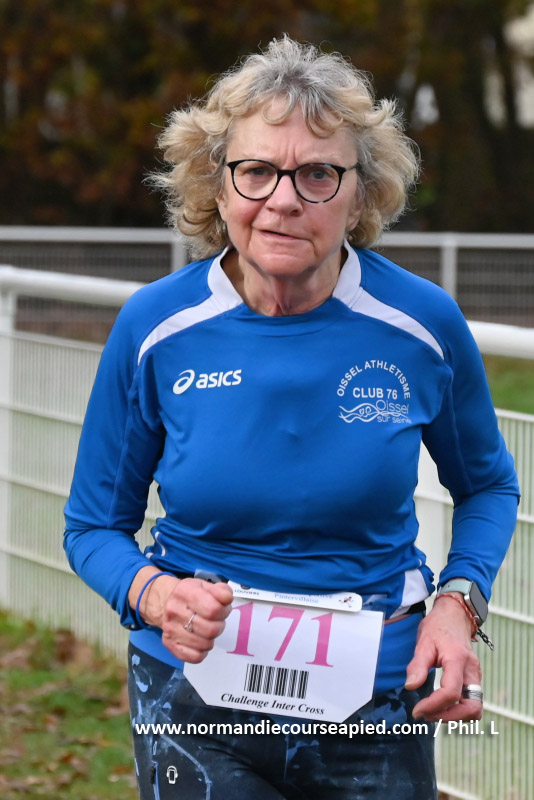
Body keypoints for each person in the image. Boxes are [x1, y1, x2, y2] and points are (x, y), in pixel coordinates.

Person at [64, 35, 519, 800]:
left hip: (378, 696)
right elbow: (91, 528)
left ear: (360, 193)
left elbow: (488, 487)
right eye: (256, 171)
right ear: (217, 184)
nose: (282, 200)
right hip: (192, 694)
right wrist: (155, 595)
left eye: (317, 174)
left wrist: (457, 606)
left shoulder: (422, 326)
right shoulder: (155, 329)